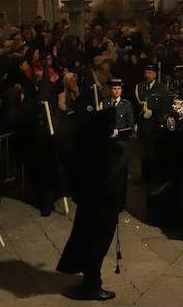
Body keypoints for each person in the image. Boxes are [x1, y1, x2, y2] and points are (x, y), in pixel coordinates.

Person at [57, 106, 127, 300]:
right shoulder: (110, 151)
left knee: (88, 243)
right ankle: (92, 286)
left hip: (89, 205)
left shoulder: (85, 145)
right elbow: (111, 181)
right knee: (97, 246)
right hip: (103, 208)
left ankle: (90, 281)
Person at [135, 63, 171, 184]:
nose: (147, 75)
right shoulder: (140, 87)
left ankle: (155, 178)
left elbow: (166, 105)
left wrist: (153, 111)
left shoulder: (161, 87)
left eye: (150, 73)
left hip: (155, 124)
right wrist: (135, 122)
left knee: (155, 153)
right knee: (144, 153)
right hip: (143, 124)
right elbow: (136, 105)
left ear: (155, 75)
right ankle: (144, 177)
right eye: (146, 72)